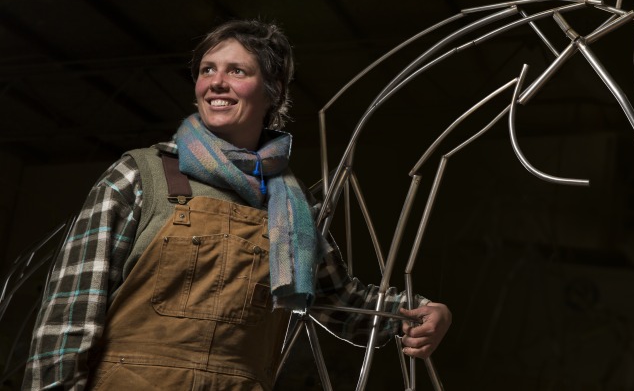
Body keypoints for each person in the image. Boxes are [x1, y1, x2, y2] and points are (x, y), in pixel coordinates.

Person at [23, 19, 451, 390]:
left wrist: (420, 312)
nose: (216, 82)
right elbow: (68, 318)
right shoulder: (140, 175)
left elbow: (341, 302)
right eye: (207, 70)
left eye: (236, 70)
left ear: (273, 90)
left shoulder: (290, 206)